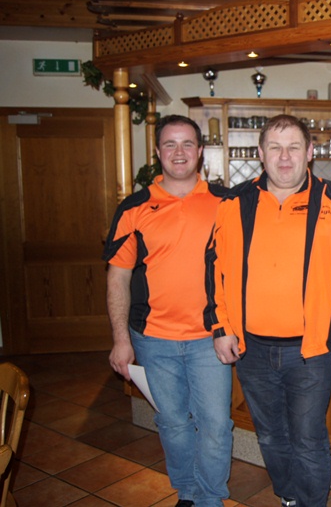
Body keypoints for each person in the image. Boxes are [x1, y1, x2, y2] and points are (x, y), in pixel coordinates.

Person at [206, 114, 331, 507]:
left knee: (308, 438)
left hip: (310, 350)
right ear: (261, 153)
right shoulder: (234, 203)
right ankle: (289, 497)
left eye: (293, 147)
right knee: (270, 435)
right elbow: (214, 268)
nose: (284, 157)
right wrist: (221, 327)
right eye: (275, 147)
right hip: (251, 349)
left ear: (310, 152)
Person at [104, 115, 233, 507]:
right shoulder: (134, 207)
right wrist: (121, 340)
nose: (179, 152)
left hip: (210, 338)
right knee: (173, 423)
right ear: (158, 152)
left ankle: (210, 499)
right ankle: (188, 493)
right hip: (153, 339)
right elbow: (117, 278)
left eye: (188, 143)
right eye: (170, 144)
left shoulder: (226, 203)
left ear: (201, 151)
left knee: (215, 426)